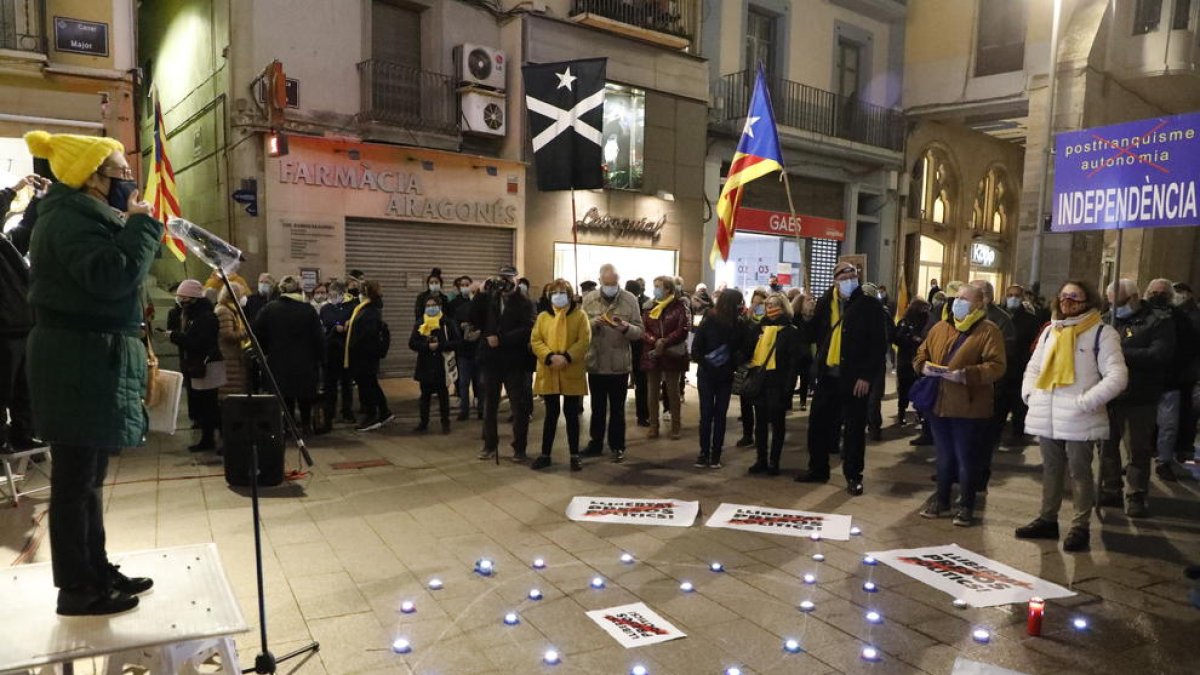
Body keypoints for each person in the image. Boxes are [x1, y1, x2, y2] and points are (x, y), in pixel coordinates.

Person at [24, 131, 160, 616]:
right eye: (122, 172)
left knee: (89, 479)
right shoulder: (67, 219)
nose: (128, 180)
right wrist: (142, 226)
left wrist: (133, 226)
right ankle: (77, 589)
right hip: (76, 360)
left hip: (87, 356)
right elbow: (111, 276)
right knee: (74, 481)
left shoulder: (83, 215)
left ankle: (94, 567)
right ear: (93, 179)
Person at [1015, 280, 1128, 552]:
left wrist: (1086, 402)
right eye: (1064, 296)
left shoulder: (1102, 333)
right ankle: (1047, 519)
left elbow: (1118, 376)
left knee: (1080, 473)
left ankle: (1080, 527)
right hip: (1048, 412)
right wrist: (1030, 395)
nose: (1068, 302)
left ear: (1088, 301)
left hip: (1079, 415)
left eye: (1075, 298)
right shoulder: (1050, 331)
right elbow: (1033, 367)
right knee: (1051, 470)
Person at [915, 283, 1006, 527]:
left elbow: (997, 366)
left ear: (978, 304)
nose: (958, 302)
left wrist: (967, 374)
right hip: (940, 404)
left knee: (967, 458)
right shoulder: (940, 327)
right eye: (957, 298)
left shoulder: (988, 331)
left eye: (965, 299)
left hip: (970, 406)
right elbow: (921, 353)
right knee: (943, 456)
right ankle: (941, 500)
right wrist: (923, 366)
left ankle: (966, 505)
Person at [798, 263, 887, 495]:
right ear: (835, 279)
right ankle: (818, 468)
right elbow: (810, 336)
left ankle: (853, 475)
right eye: (844, 276)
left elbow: (878, 345)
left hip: (854, 377)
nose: (849, 279)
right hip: (828, 374)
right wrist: (806, 315)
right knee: (817, 424)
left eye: (853, 275)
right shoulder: (825, 302)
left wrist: (867, 376)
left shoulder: (869, 305)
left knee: (854, 429)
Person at [1100, 279, 1175, 518]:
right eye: (1111, 304)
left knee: (1137, 450)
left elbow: (1158, 354)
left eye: (1119, 303)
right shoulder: (1106, 320)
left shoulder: (1157, 321)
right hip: (1109, 395)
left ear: (1133, 298)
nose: (1114, 308)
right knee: (1105, 447)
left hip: (1139, 396)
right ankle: (1111, 488)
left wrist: (1119, 353)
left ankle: (1136, 494)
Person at [581, 264, 645, 462]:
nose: (610, 287)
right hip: (597, 362)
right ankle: (596, 443)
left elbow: (639, 331)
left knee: (617, 409)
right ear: (600, 281)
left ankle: (617, 445)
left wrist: (625, 327)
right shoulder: (589, 299)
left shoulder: (630, 299)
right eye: (607, 283)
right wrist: (593, 324)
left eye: (614, 283)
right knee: (597, 407)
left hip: (619, 364)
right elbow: (581, 329)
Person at [474, 267, 535, 461]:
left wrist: (502, 339)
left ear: (516, 281)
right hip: (491, 360)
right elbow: (473, 318)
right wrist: (480, 293)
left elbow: (528, 328)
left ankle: (519, 448)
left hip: (514, 361)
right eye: (502, 279)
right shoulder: (491, 298)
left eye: (509, 279)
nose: (505, 283)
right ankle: (489, 445)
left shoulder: (525, 302)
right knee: (489, 405)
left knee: (519, 407)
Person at [530, 279, 591, 470]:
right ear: (549, 296)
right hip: (549, 370)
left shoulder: (580, 316)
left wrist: (567, 356)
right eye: (554, 293)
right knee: (551, 414)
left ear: (570, 294)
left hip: (570, 368)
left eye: (562, 292)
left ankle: (574, 455)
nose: (558, 296)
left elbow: (584, 340)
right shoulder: (543, 317)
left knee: (572, 414)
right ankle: (545, 454)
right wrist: (549, 357)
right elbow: (536, 340)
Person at [254, 276, 324, 433]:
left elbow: (257, 332)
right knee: (304, 396)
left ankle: (287, 424)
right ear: (299, 290)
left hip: (279, 361)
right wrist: (321, 358)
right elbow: (318, 337)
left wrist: (266, 350)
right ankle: (306, 425)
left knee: (285, 396)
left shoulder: (270, 308)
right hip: (305, 362)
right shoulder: (308, 310)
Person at [1144, 279, 1197, 481]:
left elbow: (1188, 348)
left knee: (1168, 425)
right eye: (1154, 292)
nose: (1157, 296)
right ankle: (1137, 461)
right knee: (1142, 426)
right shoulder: (1139, 315)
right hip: (1143, 382)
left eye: (1162, 293)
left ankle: (1163, 461)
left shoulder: (1180, 319)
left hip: (1170, 381)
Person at [971, 279, 1017, 496]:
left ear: (986, 297)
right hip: (966, 387)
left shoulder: (1001, 320)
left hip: (990, 387)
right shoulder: (965, 316)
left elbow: (1004, 354)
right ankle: (956, 471)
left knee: (984, 436)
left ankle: (979, 476)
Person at [692, 289, 747, 469]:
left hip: (724, 376)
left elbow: (744, 349)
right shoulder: (709, 320)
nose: (741, 306)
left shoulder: (739, 324)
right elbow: (696, 349)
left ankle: (715, 454)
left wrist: (731, 360)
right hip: (708, 375)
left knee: (720, 415)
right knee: (707, 414)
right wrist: (711, 361)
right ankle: (704, 453)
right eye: (739, 302)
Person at [168, 279, 222, 452]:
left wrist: (174, 336)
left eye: (183, 297)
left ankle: (225, 439)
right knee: (204, 406)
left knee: (211, 406)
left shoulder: (205, 317)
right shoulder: (194, 315)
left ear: (192, 298)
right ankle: (208, 440)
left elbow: (198, 342)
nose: (180, 301)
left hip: (208, 365)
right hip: (198, 365)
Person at [748, 292, 797, 476]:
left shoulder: (790, 331)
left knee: (777, 425)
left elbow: (793, 363)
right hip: (761, 382)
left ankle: (774, 462)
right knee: (760, 424)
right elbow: (748, 350)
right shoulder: (759, 328)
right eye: (768, 305)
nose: (770, 308)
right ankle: (761, 459)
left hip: (778, 383)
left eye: (775, 304)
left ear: (783, 306)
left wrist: (789, 388)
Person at [0, 223, 37, 455]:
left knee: (24, 388)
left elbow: (23, 234)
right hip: (4, 327)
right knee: (3, 388)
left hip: (22, 323)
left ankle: (23, 433)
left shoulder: (6, 243)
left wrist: (38, 200)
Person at [641, 275, 690, 442]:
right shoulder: (649, 307)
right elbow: (644, 328)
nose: (655, 289)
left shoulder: (680, 306)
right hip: (653, 352)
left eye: (658, 286)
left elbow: (683, 329)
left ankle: (676, 426)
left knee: (673, 391)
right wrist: (655, 341)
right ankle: (653, 426)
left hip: (672, 353)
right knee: (652, 391)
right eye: (654, 286)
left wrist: (666, 342)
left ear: (668, 289)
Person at [346, 280, 394, 431]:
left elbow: (367, 336)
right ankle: (384, 411)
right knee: (370, 384)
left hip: (365, 357)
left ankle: (373, 414)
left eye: (359, 292)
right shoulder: (366, 309)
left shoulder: (370, 311)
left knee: (368, 385)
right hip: (364, 357)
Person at [409, 296, 459, 434]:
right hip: (425, 365)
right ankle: (423, 422)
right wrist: (426, 346)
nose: (431, 308)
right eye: (428, 305)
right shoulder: (420, 323)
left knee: (443, 397)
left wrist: (441, 346)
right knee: (425, 397)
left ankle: (445, 423)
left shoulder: (447, 323)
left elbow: (456, 341)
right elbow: (412, 343)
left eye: (433, 305)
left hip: (441, 365)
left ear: (439, 306)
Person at [1000, 284, 1040, 445]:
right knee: (1000, 404)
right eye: (1010, 295)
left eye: (1016, 295)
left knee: (1019, 405)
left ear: (1022, 298)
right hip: (1001, 368)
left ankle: (1017, 435)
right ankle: (997, 433)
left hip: (1020, 368)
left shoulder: (1030, 319)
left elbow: (1033, 345)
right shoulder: (1000, 316)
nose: (1013, 299)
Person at [319, 278, 358, 424]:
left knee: (347, 383)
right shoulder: (326, 308)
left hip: (346, 351)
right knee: (330, 384)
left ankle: (347, 411)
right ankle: (330, 412)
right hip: (330, 350)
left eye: (336, 294)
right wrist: (337, 326)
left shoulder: (352, 307)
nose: (332, 297)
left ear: (343, 293)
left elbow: (352, 322)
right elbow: (327, 323)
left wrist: (344, 324)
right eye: (331, 294)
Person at [736, 288, 768, 447]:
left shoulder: (768, 323)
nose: (756, 306)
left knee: (761, 405)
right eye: (754, 302)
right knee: (745, 402)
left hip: (762, 368)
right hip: (746, 367)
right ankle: (747, 434)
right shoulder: (745, 322)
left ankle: (761, 435)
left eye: (760, 303)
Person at [862, 282, 894, 442]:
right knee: (862, 397)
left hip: (876, 361)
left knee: (873, 398)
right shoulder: (855, 311)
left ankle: (874, 427)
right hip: (861, 361)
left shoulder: (883, 313)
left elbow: (890, 334)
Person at [1172, 282, 1200, 463]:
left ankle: (1183, 450)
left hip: (1187, 371)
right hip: (1181, 371)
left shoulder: (1193, 316)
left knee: (1187, 412)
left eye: (1180, 292)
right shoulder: (1177, 313)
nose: (1178, 296)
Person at [893, 298, 930, 426]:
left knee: (920, 388)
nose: (925, 311)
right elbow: (897, 338)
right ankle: (901, 413)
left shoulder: (927, 322)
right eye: (922, 308)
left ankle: (919, 414)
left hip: (920, 360)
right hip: (905, 360)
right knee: (903, 388)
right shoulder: (905, 322)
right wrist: (910, 338)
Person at [452, 279, 483, 420]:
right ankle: (464, 410)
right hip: (464, 351)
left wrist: (480, 332)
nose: (474, 295)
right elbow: (455, 329)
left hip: (481, 351)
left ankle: (481, 409)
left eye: (477, 292)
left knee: (481, 382)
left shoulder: (487, 309)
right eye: (472, 292)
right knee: (464, 383)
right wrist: (462, 328)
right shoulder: (460, 310)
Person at [214, 281, 251, 399]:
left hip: (233, 356)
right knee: (230, 391)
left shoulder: (232, 309)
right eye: (242, 294)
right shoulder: (224, 310)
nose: (244, 297)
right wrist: (247, 332)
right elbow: (227, 334)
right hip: (229, 356)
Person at [626, 278, 651, 427]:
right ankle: (643, 416)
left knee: (641, 383)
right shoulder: (621, 302)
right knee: (640, 383)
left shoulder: (646, 304)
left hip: (638, 346)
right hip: (629, 346)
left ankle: (643, 415)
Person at [791, 292, 816, 411]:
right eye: (808, 300)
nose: (812, 301)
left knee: (806, 378)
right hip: (795, 354)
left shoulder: (815, 319)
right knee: (791, 378)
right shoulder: (795, 318)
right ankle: (787, 400)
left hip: (808, 354)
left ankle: (803, 401)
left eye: (812, 299)